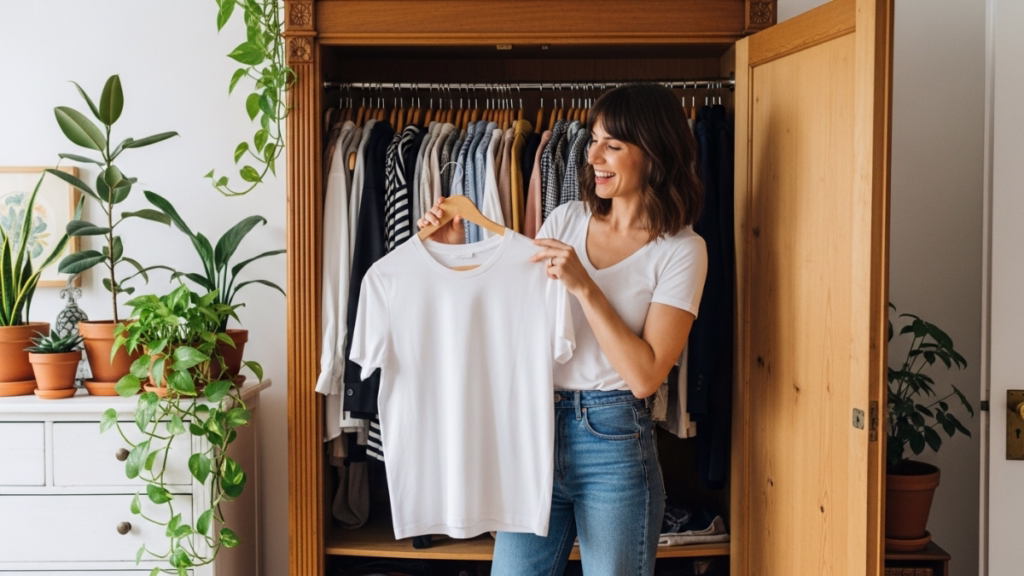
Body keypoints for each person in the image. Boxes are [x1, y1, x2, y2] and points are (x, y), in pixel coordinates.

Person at [416, 83, 708, 576]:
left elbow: (646, 376)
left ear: (655, 151)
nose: (593, 155)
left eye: (613, 145)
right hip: (535, 429)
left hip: (614, 441)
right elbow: (506, 318)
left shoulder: (682, 249)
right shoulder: (566, 217)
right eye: (593, 140)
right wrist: (451, 248)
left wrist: (585, 286)